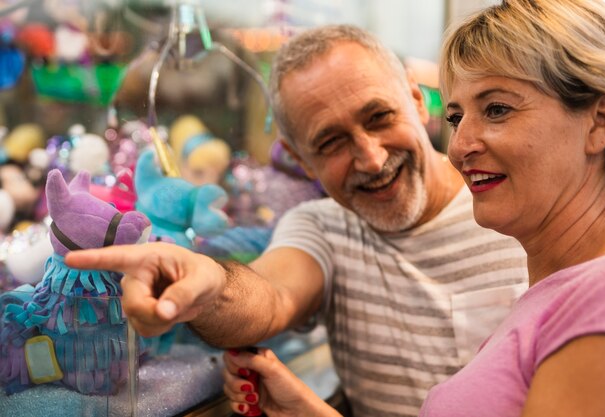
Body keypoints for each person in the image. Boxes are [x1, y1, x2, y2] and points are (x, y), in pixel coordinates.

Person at [65, 25, 528, 417]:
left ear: (415, 100)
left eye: (380, 116)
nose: (370, 157)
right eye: (330, 143)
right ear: (303, 163)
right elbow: (270, 296)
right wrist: (203, 283)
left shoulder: (514, 206)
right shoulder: (324, 226)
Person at [221, 0, 605, 416]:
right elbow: (271, 296)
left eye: (497, 109)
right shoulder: (563, 286)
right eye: (456, 118)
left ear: (600, 120)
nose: (460, 147)